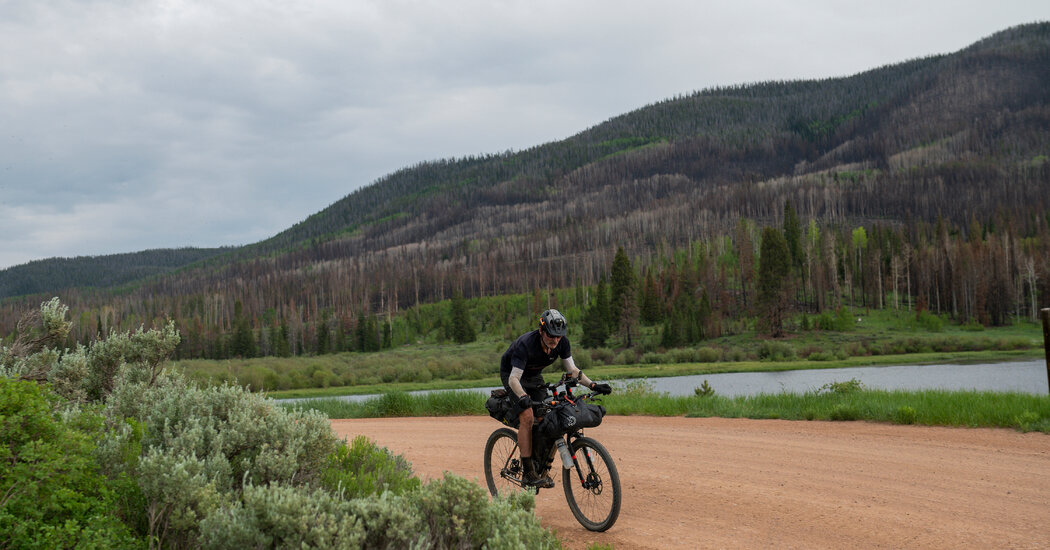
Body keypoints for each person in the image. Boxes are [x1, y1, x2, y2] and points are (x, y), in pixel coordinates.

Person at [499, 308, 612, 488]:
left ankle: (539, 462)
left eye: (559, 336)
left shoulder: (561, 342)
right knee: (527, 416)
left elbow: (572, 370)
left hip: (534, 377)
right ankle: (528, 471)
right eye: (552, 335)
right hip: (513, 376)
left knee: (546, 415)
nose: (555, 340)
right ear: (541, 331)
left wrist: (593, 385)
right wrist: (522, 397)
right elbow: (514, 379)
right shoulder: (526, 344)